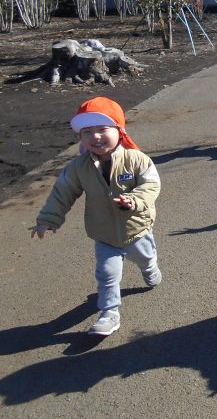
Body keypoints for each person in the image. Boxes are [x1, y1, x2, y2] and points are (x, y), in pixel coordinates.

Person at [30, 97, 162, 336]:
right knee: (107, 274)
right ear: (80, 137)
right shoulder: (78, 167)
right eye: (87, 132)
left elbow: (151, 185)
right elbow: (62, 192)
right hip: (104, 234)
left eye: (103, 129)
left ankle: (150, 266)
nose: (96, 136)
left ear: (119, 131)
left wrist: (135, 200)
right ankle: (109, 313)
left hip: (137, 230)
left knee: (144, 257)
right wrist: (48, 219)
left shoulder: (136, 159)